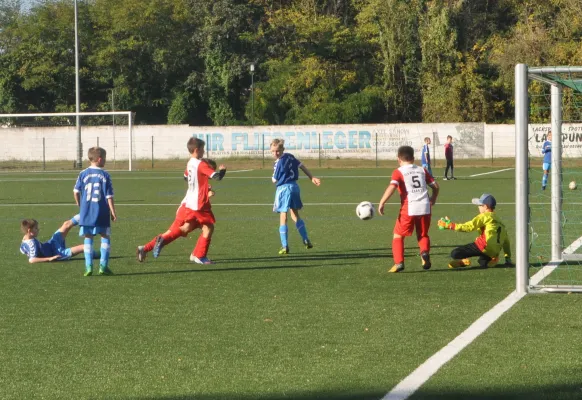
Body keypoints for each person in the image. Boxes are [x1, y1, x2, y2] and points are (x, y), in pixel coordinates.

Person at [150, 138, 226, 264]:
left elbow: (185, 177)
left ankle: (163, 239)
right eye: (202, 149)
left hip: (189, 202)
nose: (204, 151)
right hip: (199, 203)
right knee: (208, 228)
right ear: (197, 150)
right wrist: (223, 170)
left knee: (186, 227)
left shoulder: (190, 162)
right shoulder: (201, 164)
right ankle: (199, 256)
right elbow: (217, 177)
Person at [136, 158, 218, 262]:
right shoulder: (200, 180)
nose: (209, 175)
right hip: (188, 210)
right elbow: (200, 195)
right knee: (196, 228)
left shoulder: (197, 176)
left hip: (186, 209)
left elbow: (189, 180)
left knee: (177, 232)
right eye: (209, 171)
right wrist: (208, 193)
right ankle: (198, 255)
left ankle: (144, 248)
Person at [378, 145, 439, 273]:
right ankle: (424, 254)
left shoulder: (399, 171)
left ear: (398, 159)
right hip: (425, 206)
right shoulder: (422, 170)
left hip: (409, 207)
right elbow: (436, 186)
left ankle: (399, 262)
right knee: (422, 234)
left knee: (398, 235)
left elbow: (392, 187)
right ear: (413, 158)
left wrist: (382, 202)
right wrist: (433, 198)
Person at [270, 138, 321, 254]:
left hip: (283, 189)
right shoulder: (290, 156)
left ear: (282, 149)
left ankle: (284, 245)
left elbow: (274, 179)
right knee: (295, 214)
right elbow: (301, 166)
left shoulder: (279, 162)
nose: (275, 153)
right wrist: (311, 177)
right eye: (272, 151)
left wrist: (273, 177)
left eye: (277, 151)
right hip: (294, 188)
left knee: (283, 216)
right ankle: (305, 239)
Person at [73, 147, 117, 276]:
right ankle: (103, 266)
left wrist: (80, 205)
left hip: (86, 211)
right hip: (101, 211)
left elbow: (76, 192)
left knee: (88, 237)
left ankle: (89, 267)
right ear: (100, 159)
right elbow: (109, 196)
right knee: (105, 236)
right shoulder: (105, 175)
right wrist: (113, 212)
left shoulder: (83, 173)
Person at [438, 193, 512, 269]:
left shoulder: (484, 216)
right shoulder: (500, 221)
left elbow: (468, 227)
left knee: (455, 253)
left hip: (483, 246)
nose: (478, 207)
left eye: (480, 205)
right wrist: (507, 257)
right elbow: (506, 242)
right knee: (482, 262)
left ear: (485, 206)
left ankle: (464, 261)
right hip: (494, 252)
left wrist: (450, 225)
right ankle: (492, 260)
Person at [19, 215, 99, 263]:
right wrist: (49, 258)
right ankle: (101, 254)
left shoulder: (25, 238)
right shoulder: (31, 243)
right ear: (29, 231)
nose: (38, 229)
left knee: (67, 224)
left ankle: (88, 212)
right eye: (36, 228)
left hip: (51, 243)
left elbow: (22, 249)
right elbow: (32, 260)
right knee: (85, 247)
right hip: (57, 253)